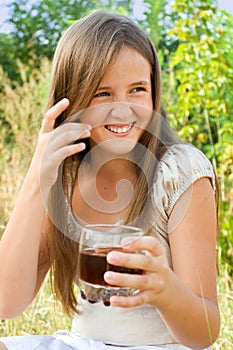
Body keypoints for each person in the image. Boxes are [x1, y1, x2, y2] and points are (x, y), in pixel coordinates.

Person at [0, 9, 220, 350]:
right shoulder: (66, 176)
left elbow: (205, 332)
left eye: (137, 90)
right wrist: (37, 177)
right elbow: (7, 302)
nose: (122, 109)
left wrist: (164, 289)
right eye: (102, 94)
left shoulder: (179, 172)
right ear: (70, 99)